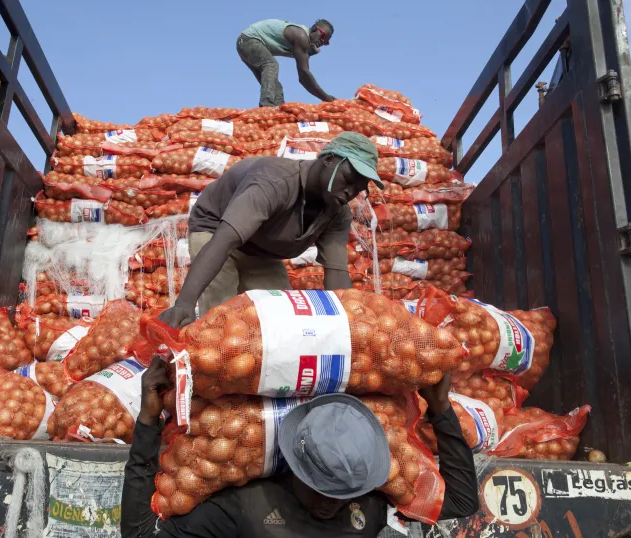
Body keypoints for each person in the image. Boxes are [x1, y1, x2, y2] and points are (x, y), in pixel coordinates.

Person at [121, 359, 479, 537]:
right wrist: (148, 423)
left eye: (341, 493)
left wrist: (441, 409)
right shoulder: (246, 508)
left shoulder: (369, 502)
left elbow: (461, 502)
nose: (330, 503)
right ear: (294, 463)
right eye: (320, 488)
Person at [158, 132, 385, 329]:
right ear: (327, 160)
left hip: (261, 249)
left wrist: (349, 325)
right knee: (222, 319)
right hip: (216, 230)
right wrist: (184, 304)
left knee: (282, 317)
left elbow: (336, 274)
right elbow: (223, 241)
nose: (351, 191)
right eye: (349, 178)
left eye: (360, 187)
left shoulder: (337, 212)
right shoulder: (275, 182)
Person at [237, 18, 336, 107]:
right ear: (314, 29)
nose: (323, 42)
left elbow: (303, 76)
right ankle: (267, 106)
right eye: (323, 36)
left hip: (245, 44)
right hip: (247, 41)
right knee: (271, 65)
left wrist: (308, 53)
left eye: (326, 42)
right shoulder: (301, 36)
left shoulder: (304, 44)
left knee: (276, 89)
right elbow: (304, 75)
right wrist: (326, 98)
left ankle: (279, 112)